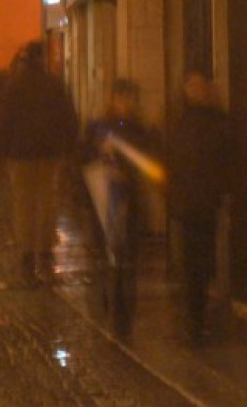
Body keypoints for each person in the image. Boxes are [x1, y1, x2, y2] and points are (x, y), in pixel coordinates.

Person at [0, 40, 80, 285]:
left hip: (20, 155)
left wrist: (2, 152)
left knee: (24, 204)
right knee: (47, 202)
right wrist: (68, 149)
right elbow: (69, 118)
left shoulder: (14, 86)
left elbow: (4, 122)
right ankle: (45, 252)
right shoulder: (54, 84)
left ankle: (27, 256)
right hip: (50, 153)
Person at [83, 79, 161, 337]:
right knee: (109, 257)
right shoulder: (97, 128)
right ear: (112, 99)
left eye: (130, 98)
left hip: (131, 202)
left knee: (128, 260)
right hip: (103, 203)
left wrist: (128, 174)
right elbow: (81, 160)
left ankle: (124, 315)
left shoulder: (140, 130)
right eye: (121, 98)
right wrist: (100, 164)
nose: (125, 104)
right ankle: (109, 304)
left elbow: (149, 164)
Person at [169, 71, 234, 345]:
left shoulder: (218, 122)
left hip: (206, 200)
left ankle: (201, 312)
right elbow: (170, 161)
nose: (194, 91)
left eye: (199, 86)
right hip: (187, 203)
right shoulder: (179, 123)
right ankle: (195, 316)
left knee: (204, 260)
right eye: (190, 86)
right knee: (193, 262)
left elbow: (228, 159)